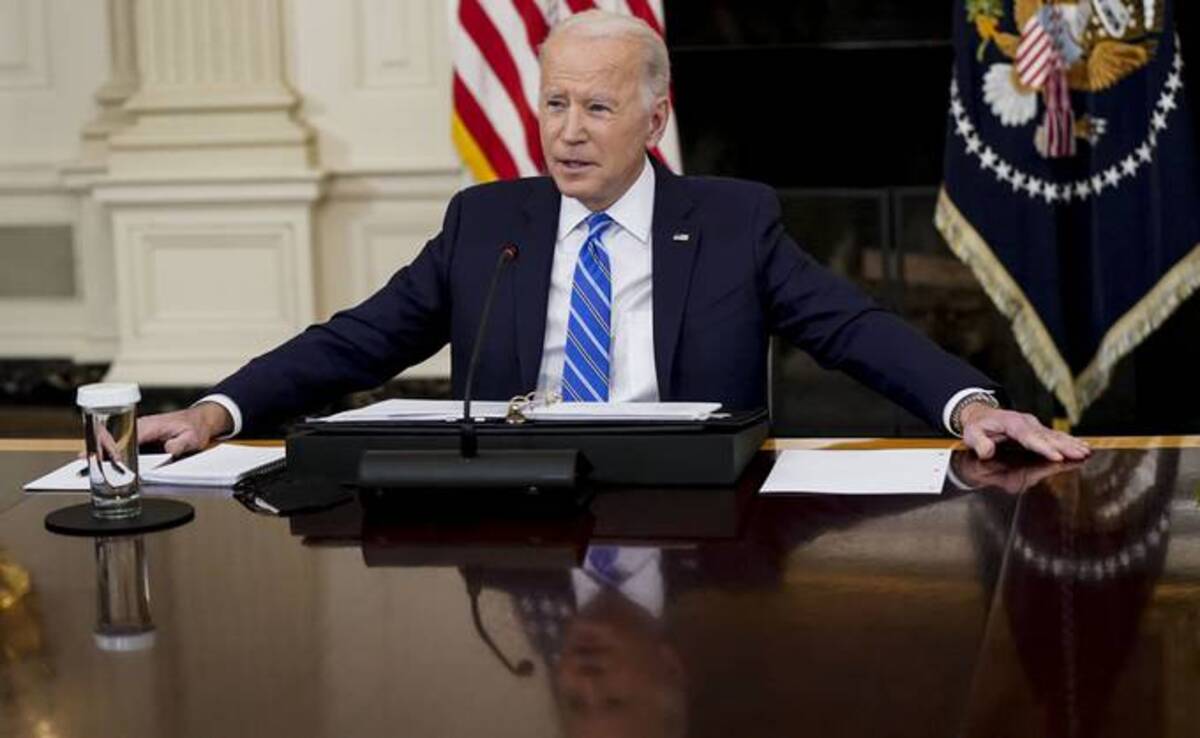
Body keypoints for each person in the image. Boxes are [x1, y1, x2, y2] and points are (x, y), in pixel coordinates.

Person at [140, 10, 1089, 464]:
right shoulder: (488, 222)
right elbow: (361, 337)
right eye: (554, 103)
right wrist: (217, 410)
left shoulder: (729, 219)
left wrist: (968, 407)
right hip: (512, 507)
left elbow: (849, 325)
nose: (568, 131)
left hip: (686, 503)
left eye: (597, 106)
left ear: (653, 114)